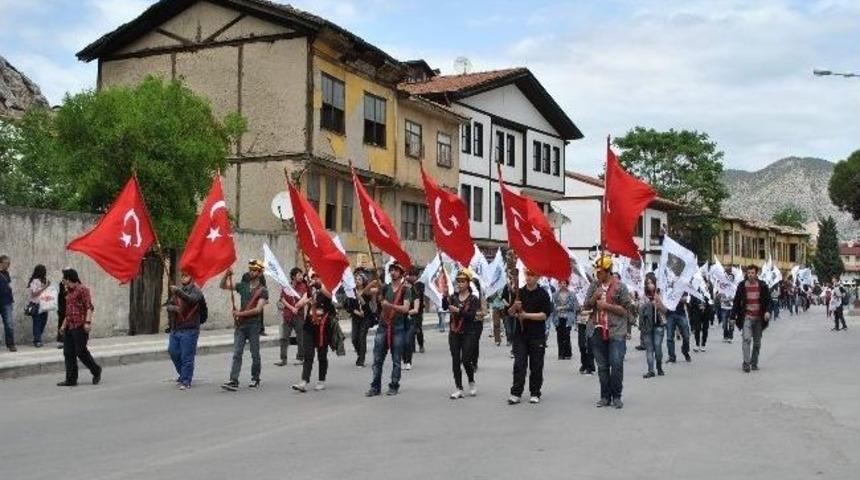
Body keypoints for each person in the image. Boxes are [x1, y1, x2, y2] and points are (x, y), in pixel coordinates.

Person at [583, 255, 635, 409]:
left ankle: (617, 396)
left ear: (608, 271)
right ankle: (605, 396)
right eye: (596, 272)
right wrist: (594, 297)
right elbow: (586, 306)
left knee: (616, 364)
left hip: (616, 331)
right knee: (602, 366)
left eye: (600, 272)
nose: (597, 275)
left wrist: (607, 306)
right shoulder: (594, 285)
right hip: (597, 329)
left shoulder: (620, 287)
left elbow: (627, 310)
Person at [507, 268, 553, 405]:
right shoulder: (519, 293)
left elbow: (544, 315)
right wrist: (514, 307)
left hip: (537, 335)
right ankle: (516, 393)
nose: (529, 277)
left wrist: (526, 315)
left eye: (532, 275)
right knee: (519, 364)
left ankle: (535, 392)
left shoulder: (543, 294)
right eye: (527, 274)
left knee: (536, 365)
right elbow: (509, 313)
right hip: (520, 335)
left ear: (538, 277)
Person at [220, 260, 269, 391]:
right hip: (241, 326)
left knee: (255, 353)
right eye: (250, 269)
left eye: (254, 270)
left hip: (253, 325)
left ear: (259, 273)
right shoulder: (243, 285)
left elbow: (258, 310)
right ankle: (233, 380)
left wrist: (240, 314)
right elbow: (223, 286)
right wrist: (226, 274)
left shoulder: (263, 291)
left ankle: (255, 378)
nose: (251, 272)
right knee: (237, 353)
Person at [366, 262, 412, 397]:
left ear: (401, 273)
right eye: (391, 270)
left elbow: (405, 309)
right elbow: (366, 292)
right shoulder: (385, 288)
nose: (393, 272)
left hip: (398, 328)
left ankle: (394, 385)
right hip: (383, 326)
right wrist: (373, 281)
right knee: (377, 359)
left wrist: (389, 305)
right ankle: (375, 386)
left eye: (396, 270)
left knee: (396, 359)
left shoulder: (405, 290)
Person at [292, 273, 336, 392]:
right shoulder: (310, 292)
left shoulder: (326, 288)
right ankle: (304, 381)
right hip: (309, 326)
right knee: (308, 354)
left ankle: (321, 380)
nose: (314, 279)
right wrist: (304, 301)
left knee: (322, 355)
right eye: (312, 277)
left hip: (322, 327)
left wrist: (318, 285)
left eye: (317, 277)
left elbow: (330, 295)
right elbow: (299, 304)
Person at [57, 269, 102, 386]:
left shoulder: (82, 289)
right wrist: (63, 326)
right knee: (68, 353)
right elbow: (68, 312)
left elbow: (89, 307)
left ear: (69, 278)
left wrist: (88, 322)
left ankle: (96, 370)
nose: (63, 281)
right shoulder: (68, 292)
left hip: (80, 326)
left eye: (64, 279)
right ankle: (71, 379)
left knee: (81, 352)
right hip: (70, 327)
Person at [444, 269, 481, 399]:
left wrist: (458, 310)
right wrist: (444, 295)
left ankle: (471, 380)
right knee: (455, 360)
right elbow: (445, 306)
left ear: (468, 283)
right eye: (458, 281)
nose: (459, 284)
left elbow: (471, 316)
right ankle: (458, 388)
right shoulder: (453, 297)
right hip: (454, 332)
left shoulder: (473, 299)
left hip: (469, 332)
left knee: (466, 360)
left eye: (462, 281)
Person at [165, 270, 204, 390]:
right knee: (173, 352)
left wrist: (178, 292)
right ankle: (183, 374)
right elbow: (168, 305)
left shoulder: (196, 291)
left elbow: (191, 300)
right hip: (176, 328)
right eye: (182, 276)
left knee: (187, 357)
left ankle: (186, 380)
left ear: (191, 277)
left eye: (186, 275)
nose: (183, 278)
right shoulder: (177, 291)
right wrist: (174, 308)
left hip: (189, 329)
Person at [732, 264, 772, 372]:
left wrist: (767, 312)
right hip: (747, 317)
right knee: (746, 339)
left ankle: (754, 363)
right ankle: (746, 363)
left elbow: (768, 301)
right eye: (748, 273)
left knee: (757, 343)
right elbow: (736, 302)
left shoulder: (762, 285)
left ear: (756, 273)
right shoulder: (742, 286)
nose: (750, 275)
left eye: (752, 273)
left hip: (759, 318)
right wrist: (732, 316)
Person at [274, 267, 308, 367]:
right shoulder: (286, 286)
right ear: (293, 276)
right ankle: (283, 359)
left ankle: (300, 357)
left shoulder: (303, 286)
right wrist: (291, 308)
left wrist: (297, 307)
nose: (301, 277)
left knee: (300, 337)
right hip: (288, 315)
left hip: (299, 315)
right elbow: (282, 299)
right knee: (284, 337)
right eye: (299, 275)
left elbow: (305, 298)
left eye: (301, 275)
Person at [639, 273, 666, 378]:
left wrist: (658, 304)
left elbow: (665, 310)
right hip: (647, 326)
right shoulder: (644, 296)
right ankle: (651, 370)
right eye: (647, 283)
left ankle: (659, 366)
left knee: (658, 347)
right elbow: (640, 310)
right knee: (649, 349)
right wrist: (648, 304)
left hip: (659, 324)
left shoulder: (660, 294)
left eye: (651, 283)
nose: (650, 285)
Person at [402, 269, 425, 371]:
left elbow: (416, 309)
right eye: (404, 283)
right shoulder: (400, 294)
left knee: (409, 339)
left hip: (413, 318)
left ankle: (408, 361)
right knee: (401, 342)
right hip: (401, 320)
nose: (405, 284)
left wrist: (406, 312)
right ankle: (404, 359)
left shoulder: (415, 293)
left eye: (407, 283)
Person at [551, 280, 577, 360]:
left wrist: (562, 307)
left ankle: (568, 353)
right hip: (558, 317)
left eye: (564, 283)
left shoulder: (571, 294)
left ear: (567, 284)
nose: (563, 285)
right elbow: (553, 305)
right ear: (558, 284)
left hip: (568, 317)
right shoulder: (555, 294)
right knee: (559, 335)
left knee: (566, 335)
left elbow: (572, 305)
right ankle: (561, 353)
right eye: (561, 283)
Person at [26, 264, 50, 348]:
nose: (45, 272)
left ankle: (37, 338)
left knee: (43, 322)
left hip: (44, 305)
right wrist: (45, 287)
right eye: (44, 270)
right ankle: (37, 340)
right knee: (37, 323)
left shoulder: (44, 281)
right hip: (36, 305)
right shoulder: (34, 281)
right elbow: (34, 293)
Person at [665, 292, 692, 363]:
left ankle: (685, 351)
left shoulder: (682, 285)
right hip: (669, 314)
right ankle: (672, 357)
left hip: (681, 314)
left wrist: (681, 299)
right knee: (669, 337)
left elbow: (687, 299)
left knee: (686, 336)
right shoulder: (667, 287)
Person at [0, 255, 16, 352]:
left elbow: (8, 284)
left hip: (7, 301)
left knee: (9, 324)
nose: (8, 265)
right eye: (7, 263)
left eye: (9, 263)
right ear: (1, 263)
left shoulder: (6, 273)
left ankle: (10, 344)